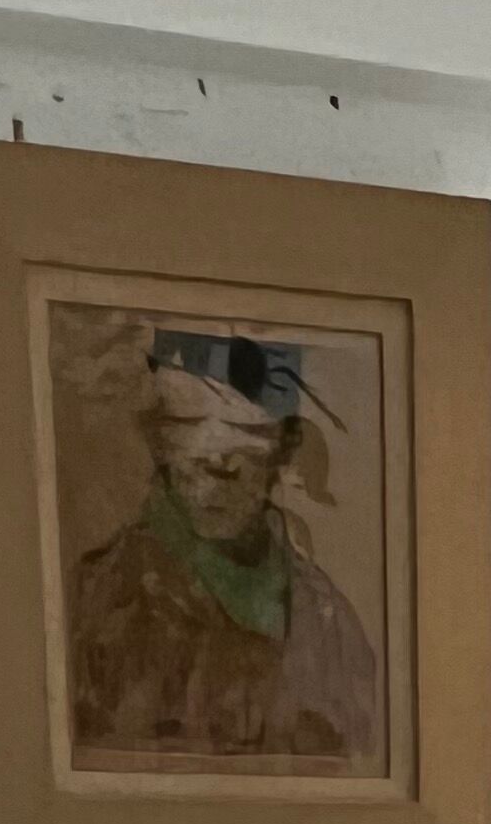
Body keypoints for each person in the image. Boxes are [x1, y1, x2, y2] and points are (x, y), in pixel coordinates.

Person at [61, 327, 383, 768]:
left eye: (246, 438)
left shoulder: (326, 616)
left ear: (284, 448)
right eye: (191, 433)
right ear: (159, 443)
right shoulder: (95, 601)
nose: (221, 465)